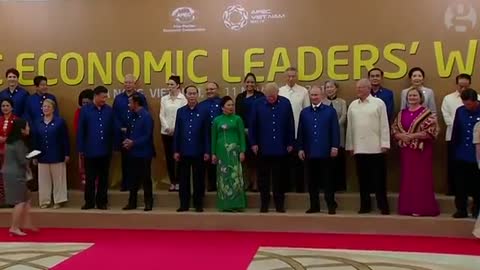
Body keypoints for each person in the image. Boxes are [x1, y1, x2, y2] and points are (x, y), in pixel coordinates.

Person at [392, 88, 439, 216]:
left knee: (421, 178)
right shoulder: (402, 113)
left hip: (422, 151)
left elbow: (432, 132)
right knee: (408, 178)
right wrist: (401, 136)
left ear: (420, 98)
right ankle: (407, 207)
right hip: (406, 151)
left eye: (415, 95)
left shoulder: (427, 113)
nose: (412, 97)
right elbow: (394, 130)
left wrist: (411, 136)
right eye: (410, 95)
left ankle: (422, 208)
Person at [346, 78, 390, 215]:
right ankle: (365, 206)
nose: (358, 90)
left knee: (379, 179)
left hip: (376, 148)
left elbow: (384, 124)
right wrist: (350, 145)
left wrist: (385, 143)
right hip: (359, 148)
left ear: (368, 88)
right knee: (363, 179)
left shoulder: (378, 103)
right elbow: (350, 127)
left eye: (361, 87)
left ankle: (383, 206)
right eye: (357, 87)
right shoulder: (353, 105)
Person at [249, 82, 295, 213]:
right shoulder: (257, 104)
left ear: (277, 94)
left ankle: (279, 204)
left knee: (279, 178)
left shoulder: (285, 103)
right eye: (268, 96)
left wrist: (290, 143)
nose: (271, 98)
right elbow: (252, 126)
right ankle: (264, 204)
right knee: (263, 178)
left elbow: (290, 124)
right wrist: (253, 143)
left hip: (281, 147)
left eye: (273, 96)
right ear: (264, 94)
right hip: (262, 148)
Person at [297, 86, 340, 214]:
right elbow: (301, 133)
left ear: (321, 95)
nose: (314, 97)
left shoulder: (330, 111)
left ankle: (331, 205)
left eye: (316, 95)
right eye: (312, 95)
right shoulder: (304, 112)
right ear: (309, 96)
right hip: (310, 152)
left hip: (326, 151)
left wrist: (335, 146)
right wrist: (300, 148)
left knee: (328, 181)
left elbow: (335, 130)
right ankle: (314, 206)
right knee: (312, 182)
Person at [173, 85, 210, 212]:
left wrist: (207, 151)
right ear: (186, 95)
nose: (192, 96)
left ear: (197, 95)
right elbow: (177, 132)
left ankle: (198, 204)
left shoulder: (204, 111)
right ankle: (184, 204)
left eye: (194, 93)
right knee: (183, 180)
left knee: (198, 179)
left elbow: (206, 133)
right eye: (190, 93)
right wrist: (176, 150)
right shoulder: (181, 111)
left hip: (199, 151)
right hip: (183, 150)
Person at [77, 86, 114, 210]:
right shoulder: (85, 110)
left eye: (106, 97)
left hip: (105, 150)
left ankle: (102, 202)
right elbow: (81, 130)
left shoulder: (109, 110)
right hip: (90, 151)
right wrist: (81, 148)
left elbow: (112, 130)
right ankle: (89, 202)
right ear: (96, 96)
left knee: (104, 178)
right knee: (90, 179)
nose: (105, 99)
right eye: (103, 97)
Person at [113, 74, 149, 192]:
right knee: (125, 160)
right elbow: (115, 116)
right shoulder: (118, 98)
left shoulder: (140, 97)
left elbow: (144, 113)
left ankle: (136, 184)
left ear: (135, 84)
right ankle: (125, 184)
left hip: (136, 134)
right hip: (123, 133)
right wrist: (121, 128)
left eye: (130, 82)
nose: (128, 84)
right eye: (126, 82)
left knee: (137, 160)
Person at [31, 99, 70, 209]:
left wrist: (66, 153)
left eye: (48, 106)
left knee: (59, 179)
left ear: (53, 108)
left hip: (57, 154)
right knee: (43, 180)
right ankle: (45, 201)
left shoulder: (60, 122)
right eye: (44, 106)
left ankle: (59, 200)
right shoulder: (37, 122)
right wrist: (34, 155)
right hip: (42, 156)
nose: (46, 108)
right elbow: (35, 140)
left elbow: (65, 139)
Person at [211, 96, 247, 212]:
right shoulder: (217, 120)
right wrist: (213, 153)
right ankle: (224, 204)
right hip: (221, 152)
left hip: (234, 152)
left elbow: (242, 136)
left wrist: (242, 151)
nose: (231, 107)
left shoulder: (238, 119)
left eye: (232, 105)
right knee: (223, 176)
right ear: (222, 107)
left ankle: (237, 204)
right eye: (228, 105)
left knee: (235, 176)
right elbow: (213, 138)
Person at [3, 119, 36, 236]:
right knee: (20, 202)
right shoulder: (19, 143)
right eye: (27, 126)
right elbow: (23, 160)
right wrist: (32, 155)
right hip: (16, 174)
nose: (29, 129)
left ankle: (27, 223)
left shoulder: (10, 141)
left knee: (26, 198)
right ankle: (14, 227)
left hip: (10, 173)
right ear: (22, 129)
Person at [279, 67, 310, 193]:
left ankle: (300, 189)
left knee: (299, 163)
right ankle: (285, 188)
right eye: (288, 76)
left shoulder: (303, 91)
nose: (291, 78)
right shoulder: (280, 91)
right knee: (284, 163)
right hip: (283, 134)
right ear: (285, 77)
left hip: (298, 131)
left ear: (296, 77)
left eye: (293, 76)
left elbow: (307, 111)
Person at [441, 74, 473, 195]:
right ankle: (453, 189)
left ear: (469, 84)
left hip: (472, 139)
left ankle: (470, 190)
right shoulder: (448, 99)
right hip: (453, 137)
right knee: (453, 164)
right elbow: (447, 118)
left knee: (470, 166)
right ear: (456, 85)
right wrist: (460, 129)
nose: (463, 89)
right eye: (461, 86)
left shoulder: (477, 98)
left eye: (466, 86)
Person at [122, 94, 154, 211]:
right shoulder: (132, 116)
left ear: (136, 103)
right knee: (133, 179)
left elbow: (147, 136)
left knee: (146, 179)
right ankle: (132, 202)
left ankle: (148, 203)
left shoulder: (146, 117)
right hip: (132, 153)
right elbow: (129, 131)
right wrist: (126, 140)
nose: (128, 105)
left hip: (144, 153)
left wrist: (133, 142)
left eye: (130, 102)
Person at [451, 88, 480, 218]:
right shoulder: (460, 111)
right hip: (461, 153)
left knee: (477, 185)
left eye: (469, 104)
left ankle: (476, 209)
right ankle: (461, 209)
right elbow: (456, 131)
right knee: (460, 184)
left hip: (477, 155)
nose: (466, 106)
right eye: (464, 103)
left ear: (475, 101)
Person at [235, 73, 264, 192]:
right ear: (244, 83)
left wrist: (252, 130)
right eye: (248, 82)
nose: (250, 84)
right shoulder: (240, 97)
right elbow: (237, 115)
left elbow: (262, 114)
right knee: (244, 159)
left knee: (256, 159)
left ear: (255, 84)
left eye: (252, 82)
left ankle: (256, 183)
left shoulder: (260, 96)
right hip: (242, 132)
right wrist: (243, 129)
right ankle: (247, 182)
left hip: (257, 132)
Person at [159, 75, 186, 192]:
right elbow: (161, 115)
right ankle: (172, 182)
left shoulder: (183, 99)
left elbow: (183, 116)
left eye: (172, 85)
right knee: (169, 158)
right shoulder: (164, 99)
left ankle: (180, 181)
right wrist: (167, 127)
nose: (169, 87)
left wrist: (175, 128)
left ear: (178, 86)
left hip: (178, 132)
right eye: (168, 85)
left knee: (179, 157)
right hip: (166, 132)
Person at [199, 82, 222, 192]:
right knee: (208, 162)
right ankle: (211, 184)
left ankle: (221, 184)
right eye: (207, 89)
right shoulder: (201, 105)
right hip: (206, 137)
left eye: (212, 89)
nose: (209, 91)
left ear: (217, 89)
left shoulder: (223, 103)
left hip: (221, 137)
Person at [325, 80, 347, 191]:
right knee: (327, 164)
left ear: (336, 88)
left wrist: (333, 126)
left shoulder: (342, 102)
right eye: (327, 87)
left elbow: (343, 116)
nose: (329, 89)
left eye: (331, 87)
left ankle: (340, 187)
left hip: (339, 134)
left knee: (339, 162)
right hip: (325, 136)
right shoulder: (322, 102)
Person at [73, 89, 94, 189]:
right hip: (83, 144)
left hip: (95, 145)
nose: (85, 105)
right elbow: (77, 129)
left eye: (87, 103)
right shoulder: (79, 112)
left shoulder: (96, 111)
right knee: (83, 168)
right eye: (83, 103)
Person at [0, 98, 17, 208]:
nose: (5, 108)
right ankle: (2, 199)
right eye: (3, 106)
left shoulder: (17, 120)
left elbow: (20, 137)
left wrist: (6, 139)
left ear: (12, 107)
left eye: (7, 106)